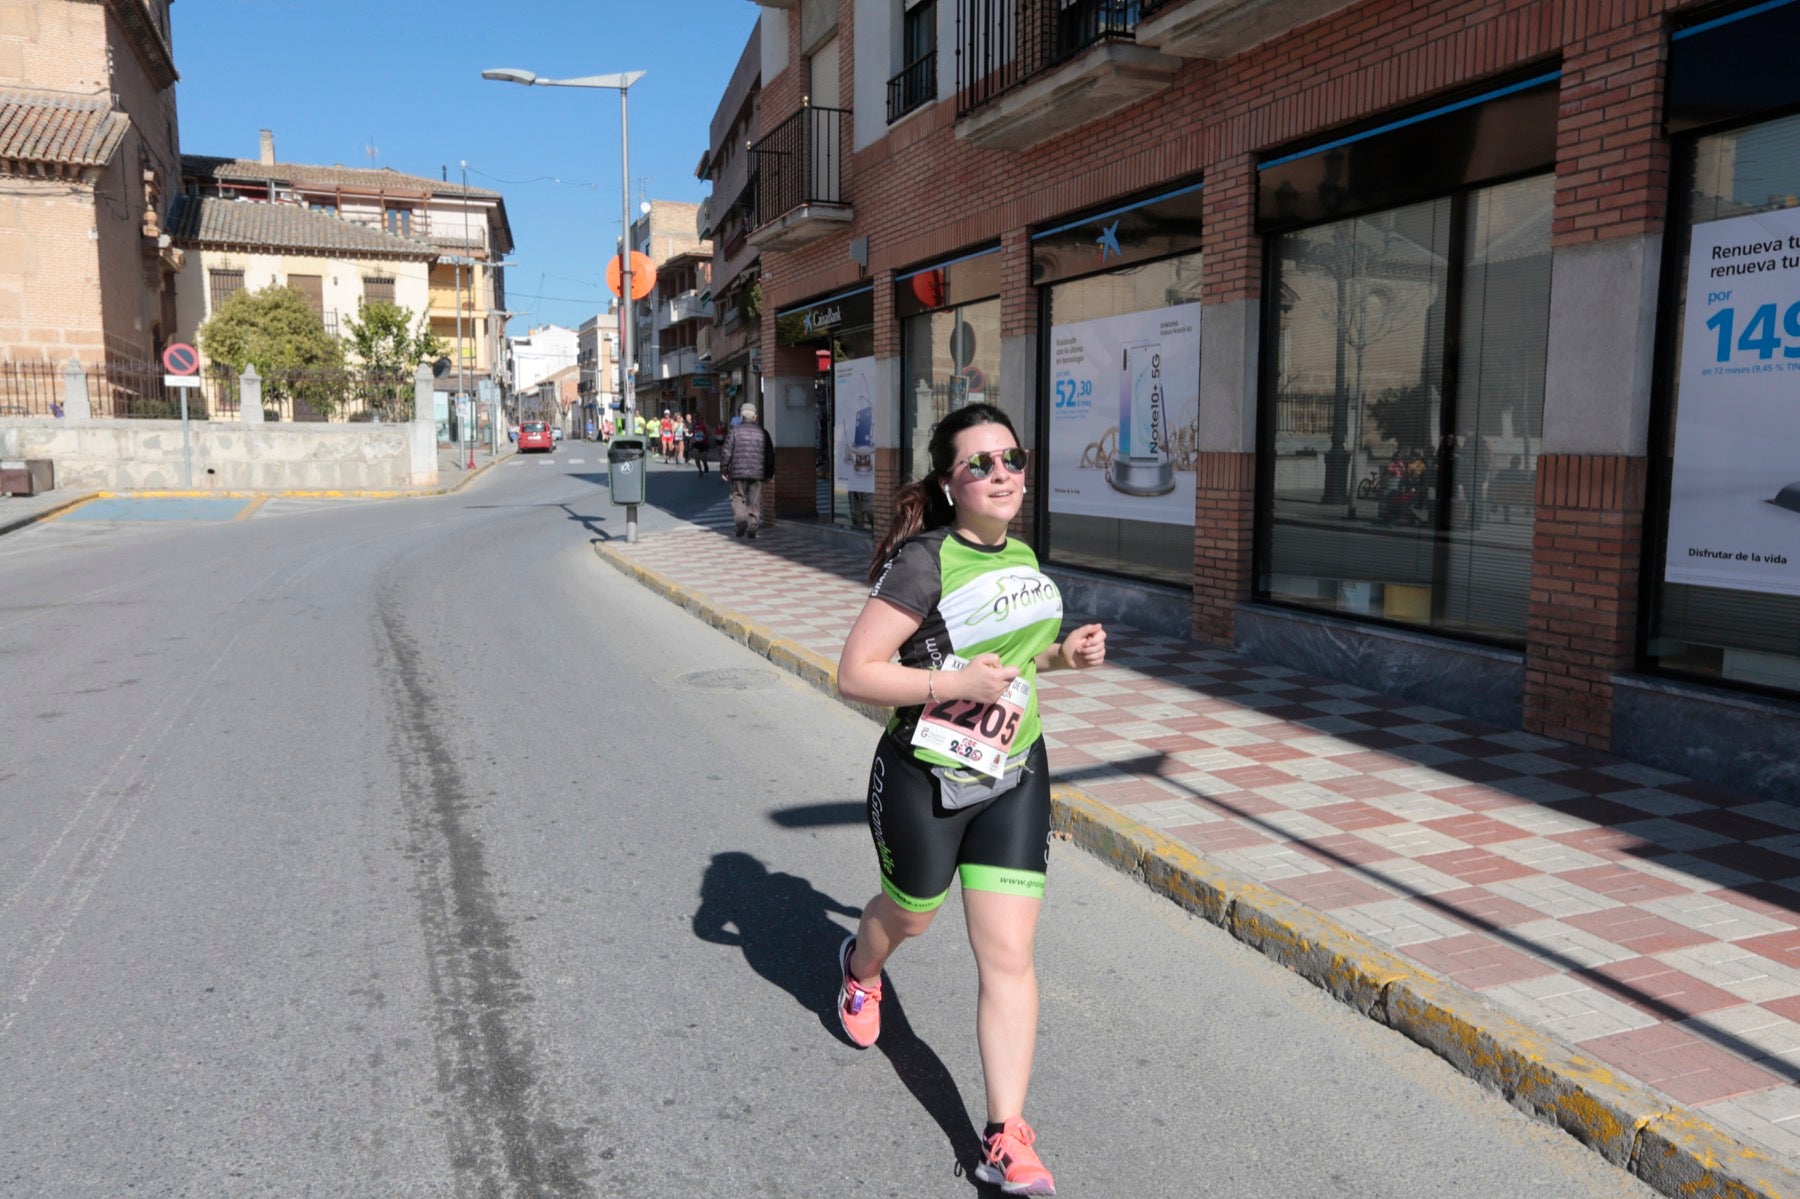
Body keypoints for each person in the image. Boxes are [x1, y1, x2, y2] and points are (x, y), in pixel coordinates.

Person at [834, 403, 1105, 1197]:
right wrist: (952, 684)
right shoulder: (925, 560)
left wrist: (1061, 656)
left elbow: (1013, 665)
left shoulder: (1021, 551)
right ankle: (858, 964)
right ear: (950, 483)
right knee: (911, 912)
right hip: (927, 775)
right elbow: (856, 672)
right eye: (979, 463)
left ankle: (1006, 1134)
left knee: (1009, 955)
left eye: (1012, 459)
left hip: (1015, 770)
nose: (1001, 474)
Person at [718, 402, 773, 539]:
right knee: (754, 500)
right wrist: (769, 473)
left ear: (741, 417)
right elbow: (770, 455)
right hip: (757, 473)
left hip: (738, 473)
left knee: (737, 497)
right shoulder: (763, 433)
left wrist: (724, 469)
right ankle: (753, 525)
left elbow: (726, 452)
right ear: (754, 417)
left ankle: (741, 520)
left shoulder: (734, 432)